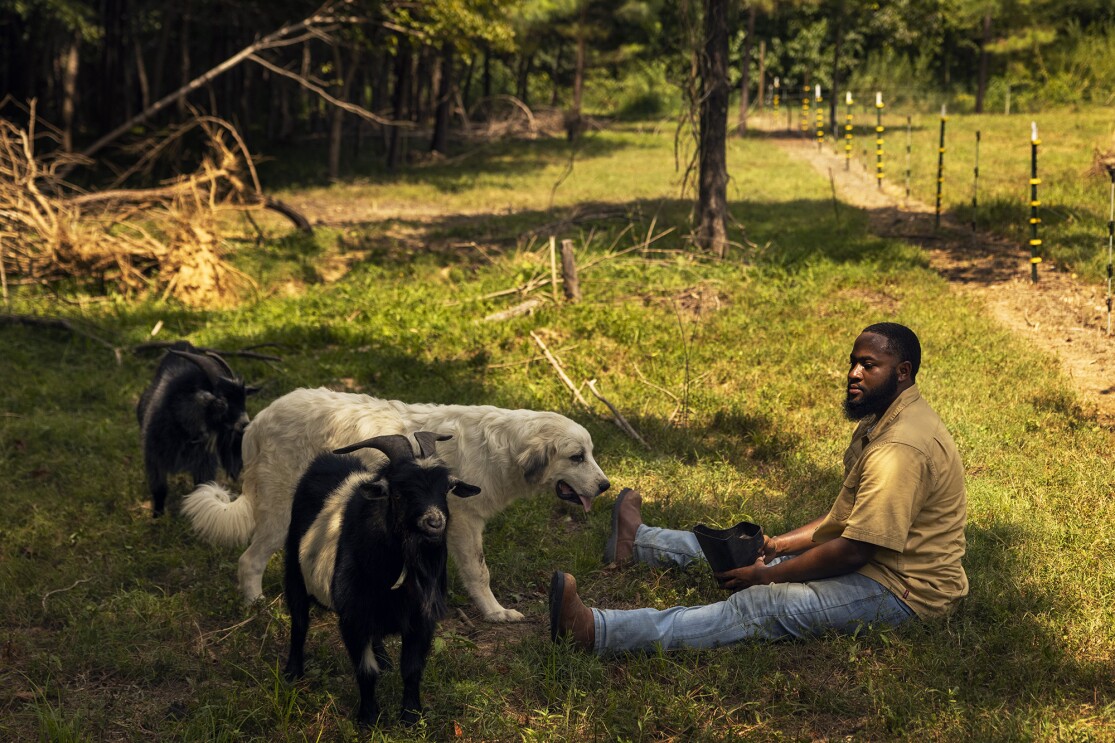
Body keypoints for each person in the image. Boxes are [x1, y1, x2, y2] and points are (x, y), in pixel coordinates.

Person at [550, 322, 968, 654]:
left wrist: (768, 578)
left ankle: (596, 631)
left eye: (869, 365)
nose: (854, 373)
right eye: (853, 362)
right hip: (874, 561)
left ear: (902, 372)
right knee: (753, 551)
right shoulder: (885, 417)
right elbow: (850, 516)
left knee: (762, 605)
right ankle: (637, 541)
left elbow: (857, 549)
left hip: (903, 591)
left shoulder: (900, 447)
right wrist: (779, 546)